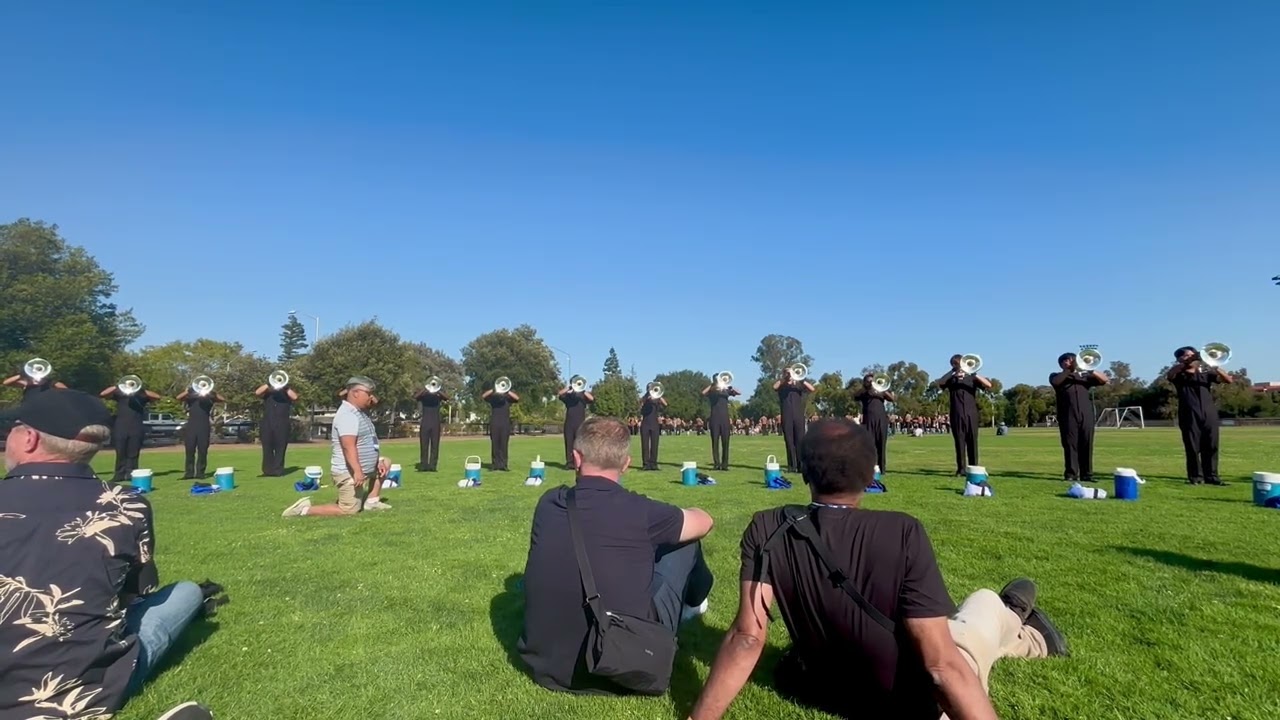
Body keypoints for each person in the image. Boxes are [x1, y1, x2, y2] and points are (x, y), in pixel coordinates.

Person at [687, 419, 1068, 720]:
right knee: (981, 606)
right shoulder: (902, 530)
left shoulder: (767, 525)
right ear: (871, 477)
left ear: (803, 472)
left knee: (954, 626)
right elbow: (939, 664)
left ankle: (1015, 625)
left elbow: (748, 636)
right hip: (906, 697)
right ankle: (1022, 625)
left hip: (821, 684)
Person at [0, 389, 217, 719]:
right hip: (78, 688)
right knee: (185, 591)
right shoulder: (126, 504)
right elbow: (136, 592)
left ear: (29, 438)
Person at [518, 416, 715, 695]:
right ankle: (694, 605)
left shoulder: (550, 502)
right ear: (626, 463)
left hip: (548, 665)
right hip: (625, 666)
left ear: (576, 457)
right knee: (686, 543)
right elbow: (704, 522)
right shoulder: (643, 511)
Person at [282, 376, 391, 517]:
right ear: (355, 393)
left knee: (386, 461)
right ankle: (303, 509)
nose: (371, 398)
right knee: (349, 510)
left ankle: (372, 502)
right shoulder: (348, 415)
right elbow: (348, 446)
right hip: (349, 471)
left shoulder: (360, 412)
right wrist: (357, 471)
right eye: (368, 394)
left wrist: (376, 461)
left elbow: (369, 437)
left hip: (365, 467)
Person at [1166, 346, 1233, 485]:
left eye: (1192, 354)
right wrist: (1184, 364)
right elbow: (1170, 375)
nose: (1191, 357)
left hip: (1209, 413)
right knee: (1192, 446)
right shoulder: (1179, 374)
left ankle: (1212, 477)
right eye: (1186, 355)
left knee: (1211, 445)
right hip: (1189, 413)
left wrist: (1215, 366)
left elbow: (1228, 380)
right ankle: (1196, 477)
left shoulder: (1206, 373)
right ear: (1179, 359)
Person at [1050, 353, 1108, 483]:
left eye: (1072, 360)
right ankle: (1071, 474)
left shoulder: (1085, 377)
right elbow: (1055, 382)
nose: (1070, 362)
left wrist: (1089, 368)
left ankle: (1087, 474)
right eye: (1067, 361)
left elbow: (1104, 380)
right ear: (1061, 364)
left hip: (1086, 414)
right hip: (1067, 414)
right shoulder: (1056, 376)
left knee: (1087, 443)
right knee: (1070, 444)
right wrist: (1069, 370)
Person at [933, 355, 993, 476]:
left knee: (973, 441)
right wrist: (952, 372)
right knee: (959, 441)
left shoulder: (972, 378)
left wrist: (973, 372)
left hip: (972, 414)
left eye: (959, 363)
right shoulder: (951, 379)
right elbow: (940, 383)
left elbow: (989, 385)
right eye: (955, 364)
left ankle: (974, 468)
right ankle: (961, 469)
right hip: (956, 413)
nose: (958, 366)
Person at [99, 379, 163, 483]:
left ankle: (131, 474)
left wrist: (139, 389)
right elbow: (103, 394)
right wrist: (118, 386)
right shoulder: (120, 394)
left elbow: (157, 397)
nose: (130, 385)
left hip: (136, 426)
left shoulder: (141, 395)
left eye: (132, 383)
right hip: (121, 426)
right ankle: (119, 474)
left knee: (133, 452)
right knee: (120, 451)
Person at [176, 382, 225, 480]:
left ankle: (200, 473)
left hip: (204, 425)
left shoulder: (209, 397)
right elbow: (178, 397)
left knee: (203, 450)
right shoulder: (191, 396)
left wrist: (210, 391)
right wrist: (189, 390)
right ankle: (189, 473)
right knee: (189, 449)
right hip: (191, 425)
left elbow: (222, 399)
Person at [254, 377, 299, 477]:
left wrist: (285, 387)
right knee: (267, 447)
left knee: (280, 447)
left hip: (282, 423)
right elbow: (257, 392)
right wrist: (269, 384)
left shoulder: (286, 392)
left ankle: (277, 470)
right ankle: (267, 470)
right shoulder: (268, 392)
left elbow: (295, 397)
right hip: (267, 422)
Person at [773, 368, 815, 472]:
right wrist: (784, 378)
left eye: (790, 372)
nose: (789, 374)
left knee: (800, 440)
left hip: (798, 416)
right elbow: (774, 387)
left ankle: (801, 466)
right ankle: (792, 466)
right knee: (789, 441)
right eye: (787, 372)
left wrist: (800, 379)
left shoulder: (798, 386)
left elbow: (812, 389)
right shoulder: (782, 386)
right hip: (786, 415)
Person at [854, 373, 895, 474]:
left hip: (881, 420)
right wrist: (866, 388)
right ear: (865, 382)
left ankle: (882, 468)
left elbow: (892, 399)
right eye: (868, 381)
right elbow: (855, 396)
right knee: (869, 445)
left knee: (881, 444)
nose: (871, 383)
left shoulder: (881, 391)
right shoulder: (864, 392)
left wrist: (882, 389)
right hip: (868, 421)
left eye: (872, 381)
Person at [701, 378, 741, 471]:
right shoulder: (712, 391)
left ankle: (725, 464)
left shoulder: (726, 390)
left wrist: (728, 386)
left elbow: (739, 393)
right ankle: (716, 464)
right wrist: (712, 385)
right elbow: (703, 393)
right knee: (715, 442)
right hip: (714, 418)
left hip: (725, 419)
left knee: (725, 442)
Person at [482, 381, 520, 471]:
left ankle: (504, 465)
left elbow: (517, 398)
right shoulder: (493, 398)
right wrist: (494, 389)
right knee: (495, 444)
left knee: (504, 444)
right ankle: (495, 465)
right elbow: (484, 396)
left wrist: (507, 390)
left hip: (505, 423)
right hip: (494, 422)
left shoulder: (507, 398)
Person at [558, 381, 594, 470]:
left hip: (580, 423)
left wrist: (582, 390)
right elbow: (559, 393)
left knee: (579, 444)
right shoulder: (568, 396)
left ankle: (580, 462)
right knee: (569, 443)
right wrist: (570, 387)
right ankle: (569, 463)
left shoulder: (583, 396)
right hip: (569, 423)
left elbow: (592, 399)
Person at [414, 382, 449, 472]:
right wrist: (426, 388)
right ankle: (424, 465)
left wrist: (437, 390)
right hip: (425, 422)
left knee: (435, 445)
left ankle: (433, 466)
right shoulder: (424, 396)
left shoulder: (438, 396)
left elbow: (447, 398)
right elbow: (416, 397)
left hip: (435, 423)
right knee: (424, 445)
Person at [638, 383, 666, 471]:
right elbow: (639, 402)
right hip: (645, 424)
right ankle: (646, 464)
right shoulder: (645, 398)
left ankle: (654, 464)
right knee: (645, 445)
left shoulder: (657, 399)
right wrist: (647, 397)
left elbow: (665, 404)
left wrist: (659, 395)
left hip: (654, 424)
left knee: (655, 444)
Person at [3, 363, 67, 400]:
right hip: (29, 408)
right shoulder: (28, 383)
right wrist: (21, 375)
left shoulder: (53, 383)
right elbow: (6, 383)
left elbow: (67, 393)